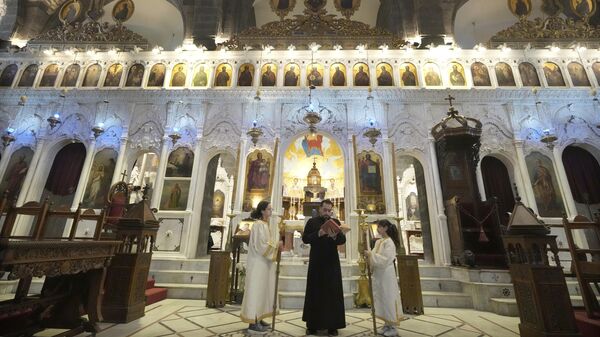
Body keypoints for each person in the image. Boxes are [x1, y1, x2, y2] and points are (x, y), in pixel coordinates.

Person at [302, 199, 346, 336]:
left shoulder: (336, 222)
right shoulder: (312, 222)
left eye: (329, 210)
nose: (327, 212)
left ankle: (333, 326)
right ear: (320, 209)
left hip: (332, 262)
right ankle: (312, 325)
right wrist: (318, 234)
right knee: (315, 292)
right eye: (325, 210)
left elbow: (342, 240)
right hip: (316, 262)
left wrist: (334, 237)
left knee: (332, 293)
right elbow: (305, 239)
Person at [240, 200, 281, 334]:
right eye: (269, 209)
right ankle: (253, 321)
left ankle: (260, 316)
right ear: (262, 210)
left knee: (263, 290)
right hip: (258, 263)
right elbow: (261, 245)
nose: (271, 211)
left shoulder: (264, 224)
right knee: (256, 290)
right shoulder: (258, 225)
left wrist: (274, 246)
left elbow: (265, 243)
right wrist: (276, 246)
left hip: (264, 263)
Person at [365, 220, 403, 337]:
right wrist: (369, 256)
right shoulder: (379, 242)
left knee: (388, 297)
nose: (378, 229)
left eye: (380, 227)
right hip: (379, 274)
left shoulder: (390, 243)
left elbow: (385, 259)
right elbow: (374, 256)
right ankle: (387, 324)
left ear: (386, 228)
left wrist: (371, 255)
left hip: (387, 274)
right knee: (382, 298)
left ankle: (393, 327)